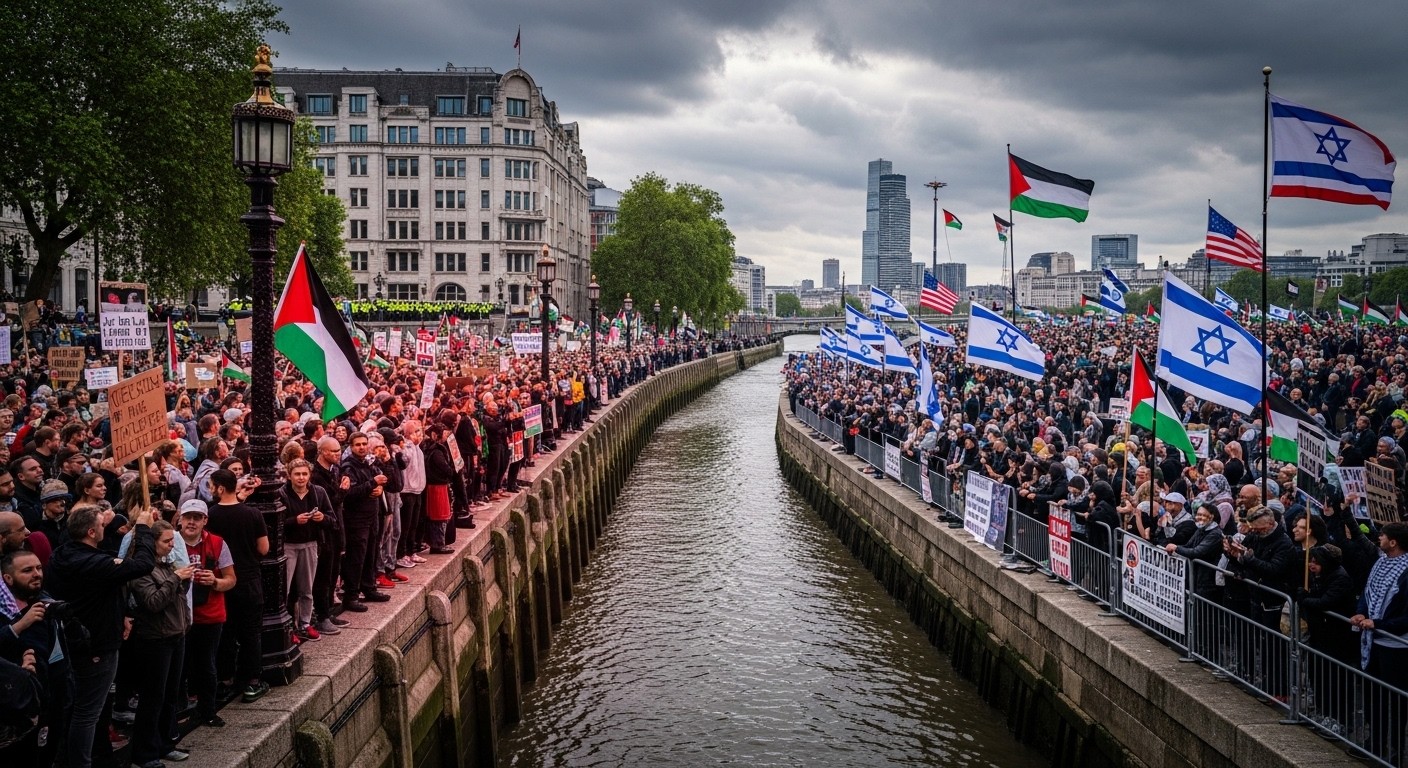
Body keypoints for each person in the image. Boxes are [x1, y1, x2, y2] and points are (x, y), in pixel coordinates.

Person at [45, 502, 156, 768]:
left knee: (77, 707)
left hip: (78, 640)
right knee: (87, 712)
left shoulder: (62, 554)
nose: (105, 527)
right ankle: (80, 763)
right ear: (92, 533)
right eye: (101, 525)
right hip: (95, 645)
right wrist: (143, 530)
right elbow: (142, 565)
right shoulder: (92, 563)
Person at [126, 520, 195, 768]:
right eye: (166, 542)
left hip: (176, 635)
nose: (171, 546)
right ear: (152, 543)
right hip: (156, 639)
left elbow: (176, 598)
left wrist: (181, 578)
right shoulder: (141, 571)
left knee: (169, 695)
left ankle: (166, 743)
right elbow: (153, 602)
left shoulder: (166, 565)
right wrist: (175, 578)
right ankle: (145, 753)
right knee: (153, 697)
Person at [203, 469, 269, 704]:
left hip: (222, 582)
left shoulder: (211, 516)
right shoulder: (252, 515)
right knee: (251, 632)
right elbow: (263, 548)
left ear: (220, 488)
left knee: (226, 633)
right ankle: (252, 682)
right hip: (249, 579)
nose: (210, 490)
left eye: (211, 486)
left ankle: (226, 680)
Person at [0, 549, 70, 766]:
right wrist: (20, 625)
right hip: (19, 709)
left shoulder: (43, 601)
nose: (37, 574)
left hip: (53, 699)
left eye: (39, 568)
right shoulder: (6, 612)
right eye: (27, 570)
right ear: (8, 578)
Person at [1351, 521, 1408, 762]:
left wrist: (1379, 624)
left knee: (1395, 701)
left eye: (1382, 535)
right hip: (1373, 642)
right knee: (1373, 695)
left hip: (1396, 646)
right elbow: (1368, 591)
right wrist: (1362, 613)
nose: (1378, 538)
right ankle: (1374, 740)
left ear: (1393, 542)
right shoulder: (1381, 562)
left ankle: (1394, 747)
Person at [177, 499, 235, 727]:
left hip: (209, 614)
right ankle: (180, 710)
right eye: (187, 517)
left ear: (205, 521)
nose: (191, 522)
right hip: (178, 616)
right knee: (179, 666)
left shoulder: (218, 543)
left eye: (197, 518)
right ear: (180, 519)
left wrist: (215, 581)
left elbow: (231, 579)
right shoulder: (169, 542)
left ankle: (208, 711)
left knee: (207, 664)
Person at [339, 432, 390, 612]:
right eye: (357, 445)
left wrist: (380, 487)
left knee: (371, 554)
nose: (361, 447)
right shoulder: (348, 467)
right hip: (356, 519)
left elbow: (381, 479)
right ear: (351, 447)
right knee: (356, 557)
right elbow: (350, 494)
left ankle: (369, 587)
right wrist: (371, 484)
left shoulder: (369, 464)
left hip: (372, 516)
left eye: (364, 444)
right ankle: (351, 595)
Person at [279, 460, 328, 641]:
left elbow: (332, 519)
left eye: (304, 474)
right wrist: (293, 521)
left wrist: (321, 517)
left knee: (307, 588)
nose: (301, 478)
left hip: (310, 544)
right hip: (288, 546)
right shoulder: (281, 494)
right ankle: (287, 627)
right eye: (297, 474)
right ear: (289, 475)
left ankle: (306, 624)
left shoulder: (318, 492)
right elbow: (275, 523)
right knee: (285, 588)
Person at [422, 423, 455, 555]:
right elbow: (445, 468)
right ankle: (438, 544)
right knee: (439, 516)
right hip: (437, 486)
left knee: (438, 515)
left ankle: (438, 542)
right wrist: (452, 470)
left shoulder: (428, 448)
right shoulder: (436, 452)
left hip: (434, 485)